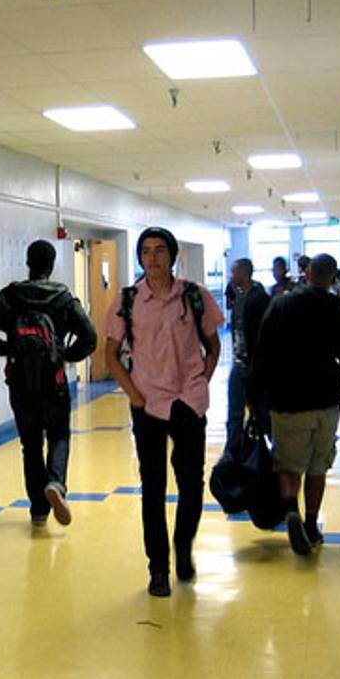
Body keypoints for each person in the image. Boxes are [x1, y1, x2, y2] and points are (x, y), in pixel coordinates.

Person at [104, 227, 224, 597]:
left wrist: (202, 380)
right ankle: (158, 568)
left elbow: (213, 345)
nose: (152, 257)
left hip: (188, 401)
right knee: (152, 488)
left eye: (159, 251)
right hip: (148, 403)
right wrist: (134, 395)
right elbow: (110, 354)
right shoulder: (127, 300)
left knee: (191, 484)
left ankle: (183, 546)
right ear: (140, 258)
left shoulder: (194, 296)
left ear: (172, 256)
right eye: (146, 251)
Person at [247, 253, 340, 556]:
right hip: (326, 401)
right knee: (318, 466)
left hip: (287, 400)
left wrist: (254, 398)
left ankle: (290, 508)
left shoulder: (279, 305)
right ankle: (310, 524)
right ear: (332, 279)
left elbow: (261, 355)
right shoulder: (336, 310)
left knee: (288, 464)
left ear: (306, 274)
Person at [0, 240, 97, 528]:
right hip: (53, 382)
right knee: (58, 436)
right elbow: (90, 338)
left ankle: (38, 511)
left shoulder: (10, 297)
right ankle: (55, 483)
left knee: (30, 445)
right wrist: (64, 356)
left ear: (27, 263)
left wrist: (9, 349)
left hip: (20, 384)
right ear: (51, 266)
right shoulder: (63, 299)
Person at [225, 258, 270, 446]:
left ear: (244, 273)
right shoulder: (239, 296)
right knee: (235, 411)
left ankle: (264, 451)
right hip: (239, 362)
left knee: (260, 411)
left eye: (234, 272)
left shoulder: (259, 299)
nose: (231, 276)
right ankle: (234, 450)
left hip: (254, 365)